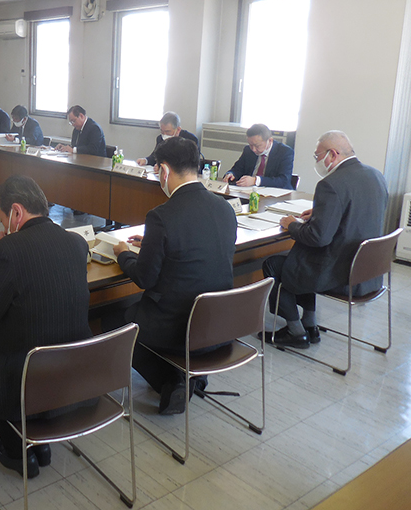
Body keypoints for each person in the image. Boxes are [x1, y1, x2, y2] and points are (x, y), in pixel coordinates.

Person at [0, 175, 92, 478]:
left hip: (26, 380)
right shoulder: (76, 243)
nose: (3, 224)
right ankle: (41, 440)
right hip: (73, 375)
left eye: (2, 217)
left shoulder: (8, 250)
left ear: (16, 212)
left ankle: (17, 448)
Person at [111, 137, 237, 414]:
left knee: (113, 320)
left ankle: (172, 381)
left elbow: (144, 278)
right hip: (218, 323)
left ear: (165, 170)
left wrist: (123, 254)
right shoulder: (224, 208)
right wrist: (153, 244)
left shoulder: (162, 216)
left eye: (158, 170)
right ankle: (191, 374)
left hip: (178, 326)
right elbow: (198, 246)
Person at [261, 131, 388, 348]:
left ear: (332, 154)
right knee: (300, 257)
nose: (317, 161)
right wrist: (321, 213)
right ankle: (310, 324)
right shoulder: (375, 175)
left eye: (317, 156)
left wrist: (291, 224)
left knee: (275, 263)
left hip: (338, 272)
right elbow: (360, 213)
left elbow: (317, 237)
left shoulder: (331, 184)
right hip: (367, 271)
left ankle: (295, 332)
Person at [222, 123, 294, 189]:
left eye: (257, 146)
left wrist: (255, 180)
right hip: (248, 191)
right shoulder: (248, 150)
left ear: (270, 141)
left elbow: (283, 180)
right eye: (251, 145)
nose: (253, 149)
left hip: (275, 194)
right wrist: (231, 174)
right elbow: (237, 169)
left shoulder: (285, 152)